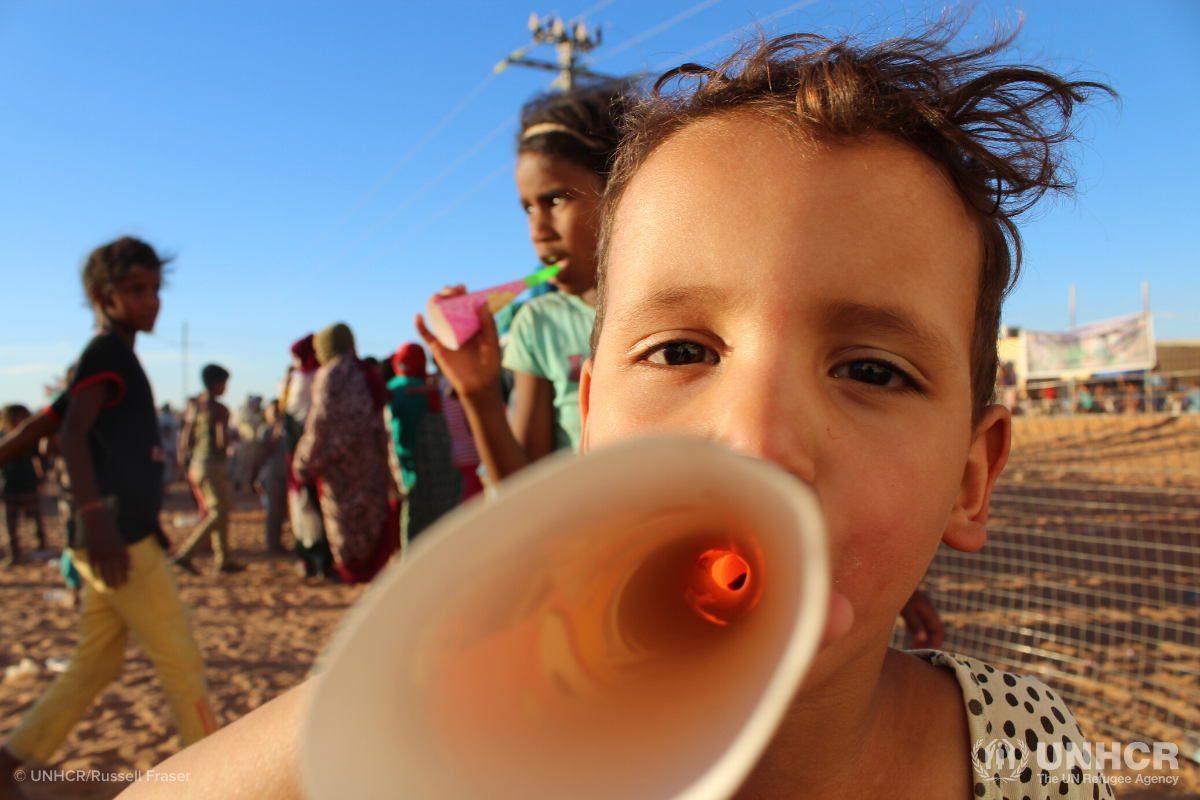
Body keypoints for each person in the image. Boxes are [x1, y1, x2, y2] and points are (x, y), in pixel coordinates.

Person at [116, 23, 1114, 800]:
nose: (756, 443)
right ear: (591, 429)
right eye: (682, 351)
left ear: (971, 476)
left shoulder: (1025, 748)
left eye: (873, 370)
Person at [0, 238, 215, 797]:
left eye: (155, 289)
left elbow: (38, 428)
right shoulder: (106, 355)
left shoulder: (110, 356)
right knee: (181, 661)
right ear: (101, 296)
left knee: (94, 664)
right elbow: (69, 435)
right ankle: (220, 778)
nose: (152, 302)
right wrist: (96, 519)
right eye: (136, 290)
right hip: (114, 537)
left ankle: (11, 761)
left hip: (120, 532)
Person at [417, 80, 634, 482]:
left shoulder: (677, 306)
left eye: (554, 200)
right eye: (527, 208)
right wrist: (479, 395)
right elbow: (521, 489)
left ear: (620, 190)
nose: (539, 229)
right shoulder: (538, 322)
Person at [292, 323, 398, 584]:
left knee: (346, 528)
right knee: (370, 522)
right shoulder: (367, 373)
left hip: (340, 470)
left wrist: (303, 463)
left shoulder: (329, 376)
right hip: (370, 465)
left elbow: (321, 425)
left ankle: (353, 571)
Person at [386, 343, 462, 545]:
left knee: (415, 517)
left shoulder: (394, 390)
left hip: (412, 465)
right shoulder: (432, 387)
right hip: (443, 466)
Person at [174, 364, 242, 576]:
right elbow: (222, 442)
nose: (226, 388)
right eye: (224, 383)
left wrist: (186, 459)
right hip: (214, 466)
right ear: (216, 383)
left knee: (221, 509)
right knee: (219, 511)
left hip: (197, 464)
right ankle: (186, 554)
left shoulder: (196, 405)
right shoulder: (221, 410)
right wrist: (234, 437)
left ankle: (224, 559)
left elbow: (186, 438)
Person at [281, 334, 332, 577]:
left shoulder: (312, 379)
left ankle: (315, 559)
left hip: (308, 453)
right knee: (309, 505)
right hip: (308, 453)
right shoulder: (304, 379)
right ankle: (315, 559)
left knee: (310, 505)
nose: (294, 362)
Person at [1, 405, 48, 564]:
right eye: (20, 416)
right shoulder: (2, 437)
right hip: (9, 487)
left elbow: (38, 458)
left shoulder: (30, 437)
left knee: (36, 519)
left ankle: (42, 548)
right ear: (10, 418)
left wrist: (41, 477)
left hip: (29, 484)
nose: (23, 419)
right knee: (10, 523)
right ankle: (14, 554)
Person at [255, 399, 288, 553]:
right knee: (273, 510)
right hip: (272, 476)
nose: (277, 415)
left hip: (287, 475)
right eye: (273, 412)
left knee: (283, 511)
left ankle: (279, 542)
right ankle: (272, 544)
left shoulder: (288, 430)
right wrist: (276, 434)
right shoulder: (265, 431)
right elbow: (265, 453)